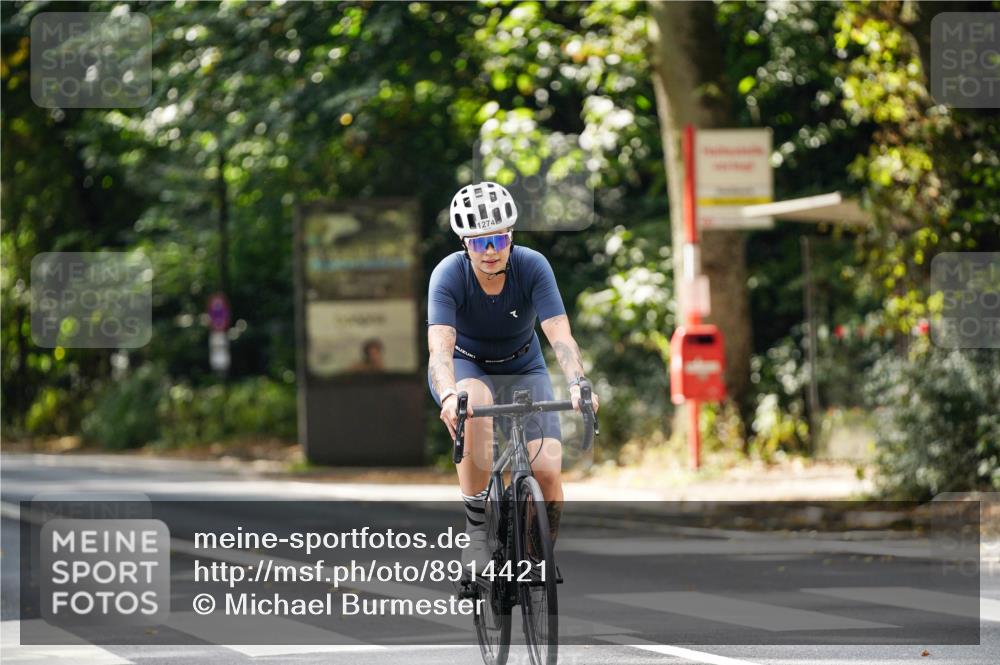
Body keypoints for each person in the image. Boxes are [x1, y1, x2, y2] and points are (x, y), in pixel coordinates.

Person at [426, 181, 600, 573]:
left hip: (523, 366)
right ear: (464, 243)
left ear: (511, 237)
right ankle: (475, 532)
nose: (489, 252)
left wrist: (577, 382)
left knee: (549, 474)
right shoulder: (448, 275)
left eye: (498, 240)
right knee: (475, 403)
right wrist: (450, 394)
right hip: (467, 367)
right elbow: (440, 349)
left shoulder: (533, 266)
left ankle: (535, 558)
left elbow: (560, 335)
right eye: (478, 242)